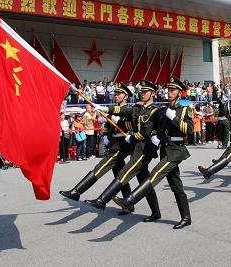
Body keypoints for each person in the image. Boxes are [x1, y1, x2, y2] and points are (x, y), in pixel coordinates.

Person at [114, 77, 194, 229]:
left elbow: (188, 130)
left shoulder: (184, 109)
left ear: (179, 93)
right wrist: (157, 137)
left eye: (173, 90)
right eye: (169, 89)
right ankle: (185, 217)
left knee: (155, 173)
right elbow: (158, 129)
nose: (170, 92)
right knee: (176, 185)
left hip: (176, 150)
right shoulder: (163, 109)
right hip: (165, 149)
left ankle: (130, 200)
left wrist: (174, 117)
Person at [84, 80, 162, 222]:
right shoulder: (138, 108)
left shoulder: (155, 111)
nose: (142, 94)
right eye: (142, 91)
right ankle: (155, 212)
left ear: (153, 94)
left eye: (145, 92)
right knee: (144, 182)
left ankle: (102, 200)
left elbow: (147, 132)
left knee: (125, 171)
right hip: (136, 147)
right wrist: (104, 108)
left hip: (144, 148)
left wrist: (132, 137)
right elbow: (122, 110)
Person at [60, 84, 135, 215]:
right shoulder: (113, 109)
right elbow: (106, 125)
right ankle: (128, 204)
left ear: (126, 96)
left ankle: (77, 191)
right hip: (112, 142)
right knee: (120, 175)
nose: (116, 96)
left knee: (101, 167)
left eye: (119, 94)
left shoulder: (129, 109)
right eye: (115, 94)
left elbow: (129, 125)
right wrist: (106, 136)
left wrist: (119, 121)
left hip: (121, 144)